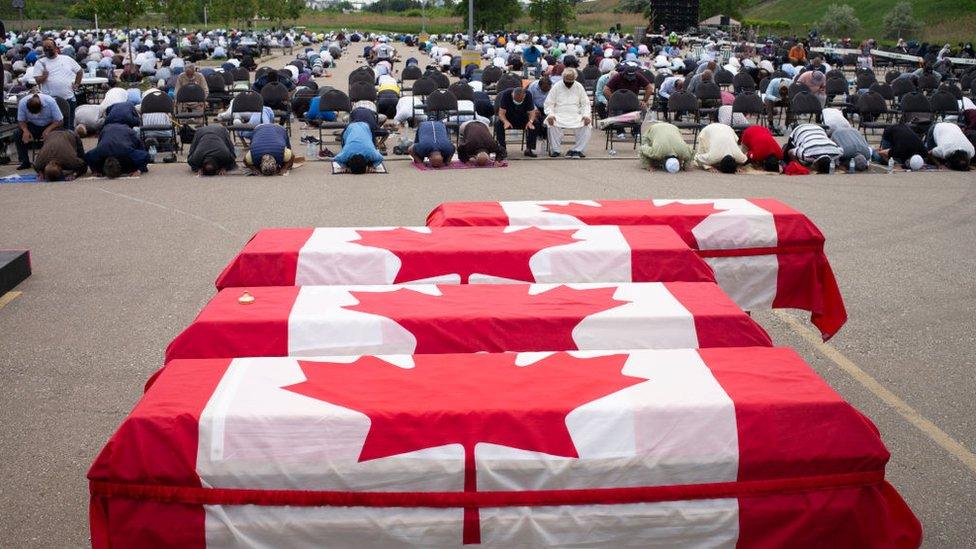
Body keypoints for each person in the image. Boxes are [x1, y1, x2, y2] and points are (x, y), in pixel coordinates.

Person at [544, 68, 592, 158]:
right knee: (552, 123)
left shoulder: (579, 86)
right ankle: (556, 150)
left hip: (575, 115)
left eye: (571, 81)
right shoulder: (557, 86)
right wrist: (550, 114)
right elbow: (549, 103)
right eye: (567, 81)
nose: (569, 84)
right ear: (563, 78)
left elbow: (585, 104)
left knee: (587, 125)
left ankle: (577, 150)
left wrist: (586, 115)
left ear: (574, 79)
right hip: (559, 114)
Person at [34, 38, 82, 128]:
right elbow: (37, 81)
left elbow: (79, 71)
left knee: (69, 127)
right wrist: (44, 76)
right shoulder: (40, 62)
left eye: (49, 47)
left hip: (69, 98)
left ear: (56, 48)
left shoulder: (67, 59)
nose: (47, 49)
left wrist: (77, 84)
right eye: (45, 48)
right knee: (52, 127)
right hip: (49, 101)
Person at [84, 114, 151, 178]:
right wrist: (95, 171)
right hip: (109, 130)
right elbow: (87, 157)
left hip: (124, 131)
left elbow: (146, 156)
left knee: (139, 154)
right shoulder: (101, 151)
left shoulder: (125, 151)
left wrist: (139, 170)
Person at [14, 92, 64, 170]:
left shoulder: (50, 102)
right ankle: (25, 161)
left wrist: (48, 129)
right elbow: (21, 121)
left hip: (50, 124)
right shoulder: (22, 103)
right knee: (17, 133)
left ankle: (53, 161)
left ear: (41, 107)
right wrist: (25, 130)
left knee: (57, 135)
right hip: (33, 125)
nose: (35, 115)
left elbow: (60, 120)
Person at [495, 87, 538, 157]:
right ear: (512, 95)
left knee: (535, 123)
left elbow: (532, 113)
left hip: (522, 117)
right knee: (499, 124)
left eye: (520, 100)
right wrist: (505, 121)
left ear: (524, 96)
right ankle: (502, 149)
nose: (518, 102)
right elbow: (501, 113)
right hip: (508, 118)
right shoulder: (506, 94)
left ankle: (529, 149)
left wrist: (530, 121)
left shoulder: (528, 95)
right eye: (516, 100)